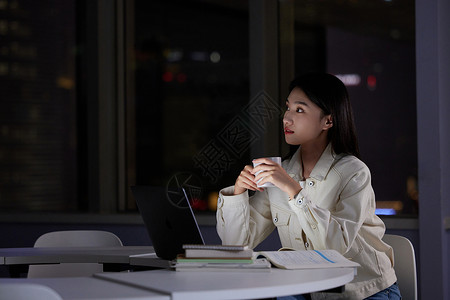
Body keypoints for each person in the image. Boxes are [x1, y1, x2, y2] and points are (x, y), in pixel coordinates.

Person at [216, 73, 401, 299]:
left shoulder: (354, 172)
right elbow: (235, 245)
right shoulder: (281, 173)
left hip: (363, 290)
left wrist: (294, 191)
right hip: (307, 289)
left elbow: (335, 247)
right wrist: (238, 194)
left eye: (300, 110)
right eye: (288, 108)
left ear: (328, 121)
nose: (286, 118)